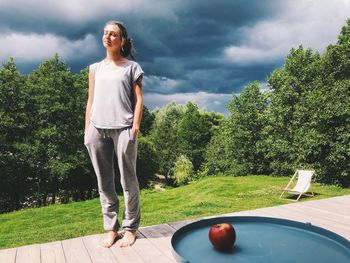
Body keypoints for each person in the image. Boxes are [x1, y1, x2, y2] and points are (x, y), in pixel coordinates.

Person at [84, 20, 143, 248]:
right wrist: (87, 129)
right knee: (104, 182)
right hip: (97, 128)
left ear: (122, 41)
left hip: (124, 128)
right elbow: (90, 100)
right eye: (105, 33)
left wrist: (135, 125)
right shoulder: (95, 68)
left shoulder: (132, 68)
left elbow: (139, 99)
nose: (108, 37)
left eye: (114, 34)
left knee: (128, 180)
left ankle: (131, 228)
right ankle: (112, 228)